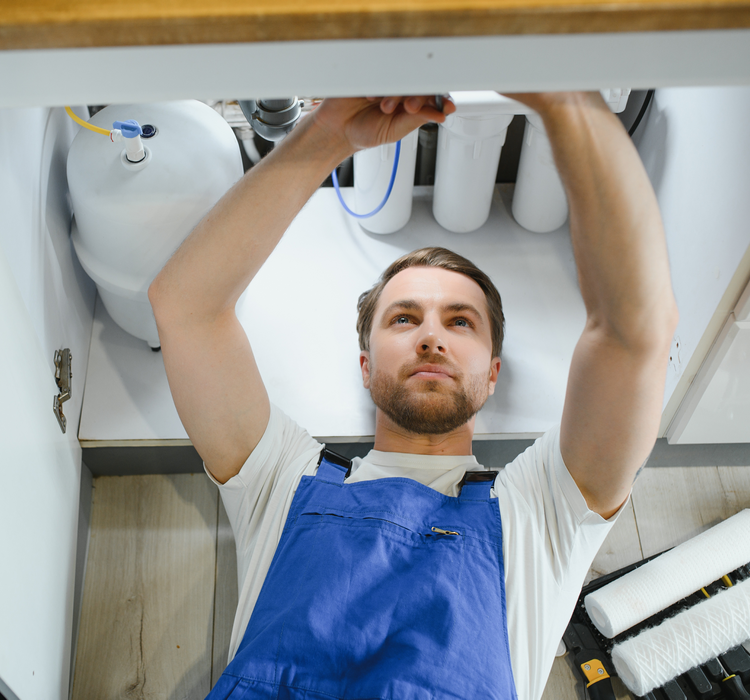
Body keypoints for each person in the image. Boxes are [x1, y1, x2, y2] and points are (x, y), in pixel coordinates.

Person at [148, 93, 678, 700]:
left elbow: (635, 330)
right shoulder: (279, 480)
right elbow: (184, 308)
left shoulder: (544, 510)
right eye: (404, 319)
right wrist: (327, 134)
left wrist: (563, 101)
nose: (431, 336)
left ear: (493, 372)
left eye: (460, 322)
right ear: (367, 368)